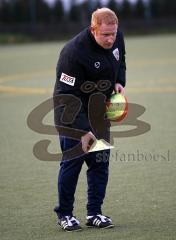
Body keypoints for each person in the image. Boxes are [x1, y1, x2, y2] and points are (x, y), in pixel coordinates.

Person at [53, 7, 126, 232]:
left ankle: (94, 212)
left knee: (99, 165)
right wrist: (85, 130)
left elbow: (120, 60)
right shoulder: (73, 53)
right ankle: (65, 214)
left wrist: (119, 81)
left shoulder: (117, 37)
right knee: (71, 166)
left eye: (113, 33)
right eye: (105, 34)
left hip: (99, 114)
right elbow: (67, 97)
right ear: (93, 29)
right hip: (72, 117)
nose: (110, 39)